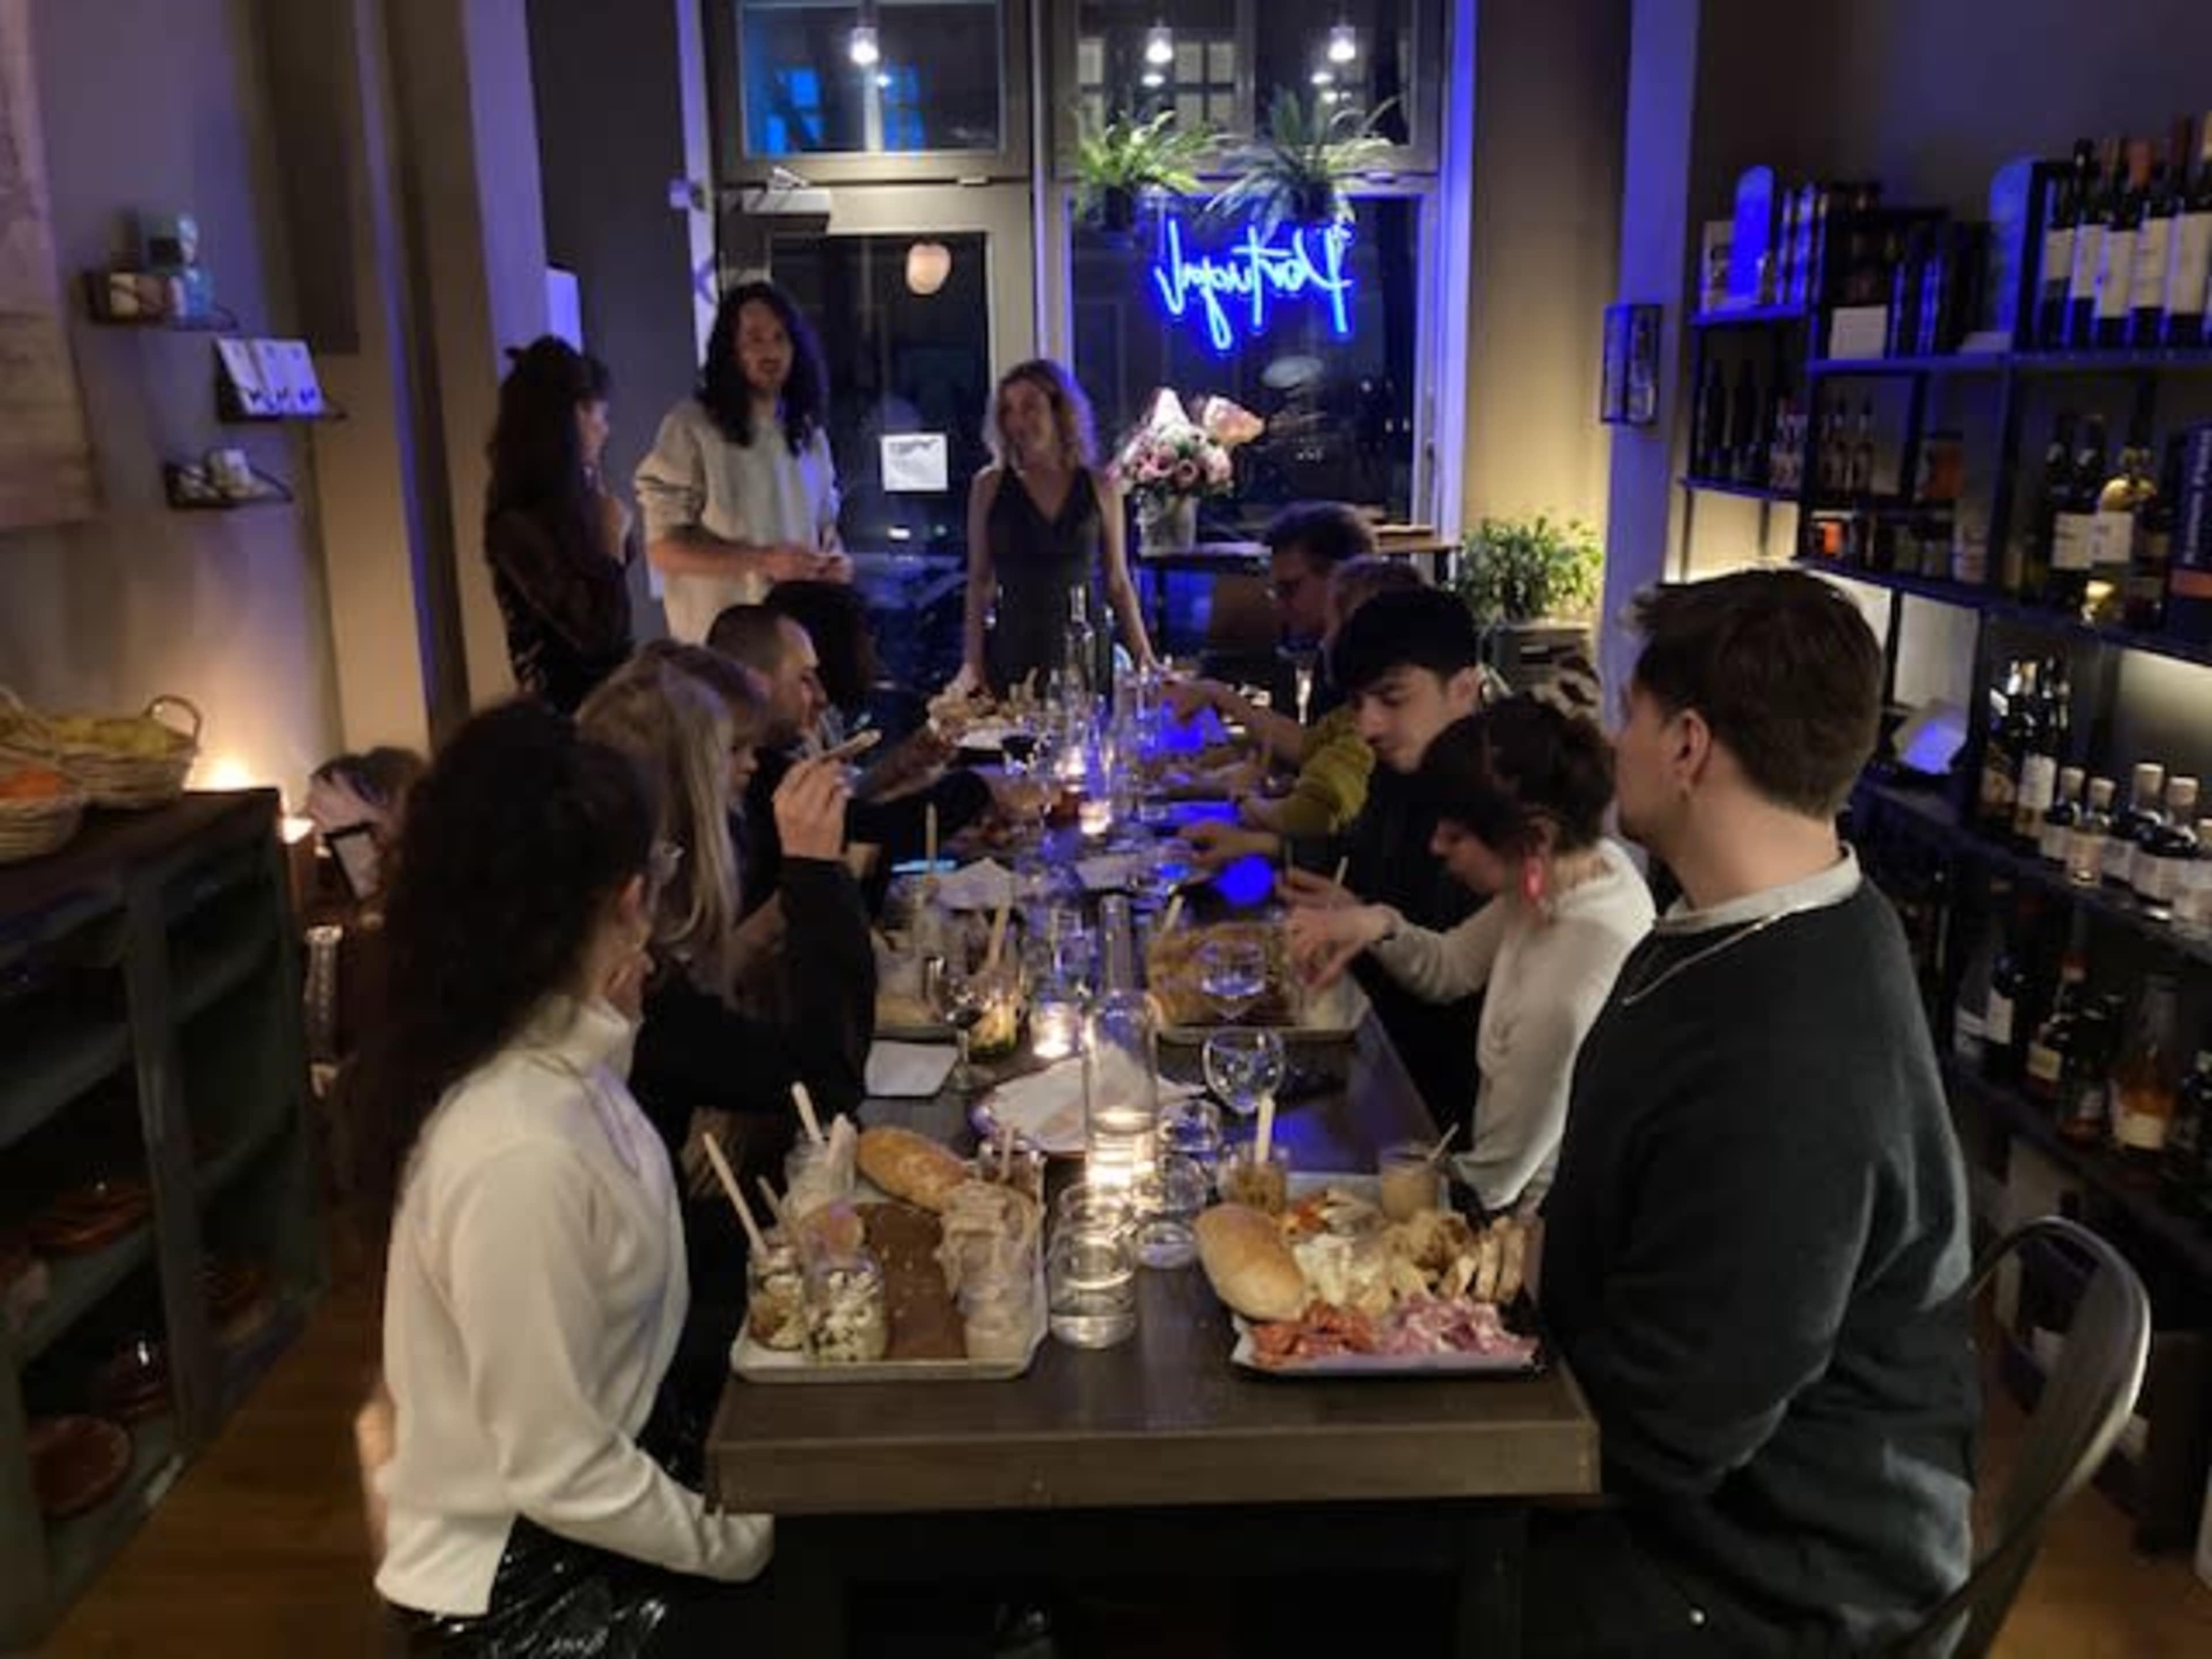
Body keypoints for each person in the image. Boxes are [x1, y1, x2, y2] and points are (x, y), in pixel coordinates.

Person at [1529, 571, 1976, 1655]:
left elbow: (1664, 1434)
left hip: (1760, 1583)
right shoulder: (1760, 924)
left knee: (1352, 1564)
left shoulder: (1794, 1053)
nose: (1610, 735)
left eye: (1627, 711)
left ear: (1688, 745)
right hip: (1713, 1504)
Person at [357, 701, 771, 1653]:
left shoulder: (543, 1060)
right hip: (516, 1588)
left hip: (579, 1505)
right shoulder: (516, 1150)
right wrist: (731, 1540)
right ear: (623, 898)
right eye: (659, 872)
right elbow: (557, 1469)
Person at [1283, 685, 1653, 1214]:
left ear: (1534, 839)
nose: (1435, 846)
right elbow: (1451, 967)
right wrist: (1375, 922)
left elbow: (1491, 1186)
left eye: (1456, 835)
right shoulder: (1577, 868)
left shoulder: (1567, 987)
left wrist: (1326, 1197)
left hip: (1525, 1234)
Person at [1272, 587, 1491, 1141]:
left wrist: (1366, 922)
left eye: (1392, 699)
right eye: (1360, 703)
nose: (1369, 725)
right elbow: (1355, 882)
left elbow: (1455, 987)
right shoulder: (1398, 773)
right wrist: (1257, 862)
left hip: (1439, 1113)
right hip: (1364, 1053)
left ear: (1464, 689)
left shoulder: (1505, 810)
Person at [634, 279, 849, 644]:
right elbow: (663, 549)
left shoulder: (807, 433)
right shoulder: (691, 427)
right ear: (730, 350)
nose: (770, 351)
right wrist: (763, 560)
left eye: (780, 337)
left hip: (793, 646)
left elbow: (826, 527)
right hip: (718, 653)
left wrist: (835, 562)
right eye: (755, 339)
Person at [1173, 552, 1422, 851]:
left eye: (1332, 627)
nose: (1325, 641)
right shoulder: (1349, 710)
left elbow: (1306, 818)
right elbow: (1307, 747)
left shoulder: (1366, 727)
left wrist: (1243, 796)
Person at [959, 360, 1154, 694]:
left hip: (1084, 645)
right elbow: (980, 581)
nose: (1018, 421)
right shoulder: (989, 486)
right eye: (1008, 410)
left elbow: (1118, 582)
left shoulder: (1100, 486)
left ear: (1059, 411)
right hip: (1015, 647)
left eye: (1030, 407)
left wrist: (1145, 659)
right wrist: (972, 664)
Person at [484, 337, 634, 711]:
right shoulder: (518, 526)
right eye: (593, 412)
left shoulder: (578, 504)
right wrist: (611, 541)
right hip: (566, 721)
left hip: (604, 708)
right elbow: (601, 637)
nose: (604, 429)